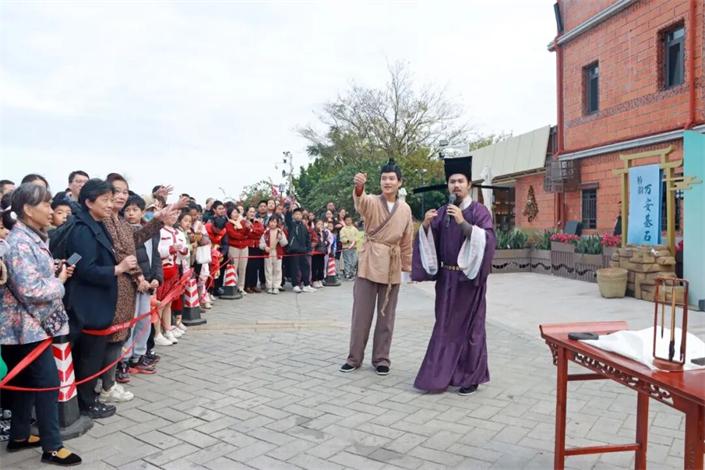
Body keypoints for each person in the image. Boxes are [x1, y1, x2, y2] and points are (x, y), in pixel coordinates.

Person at [0, 183, 82, 466]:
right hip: (26, 329)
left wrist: (55, 267)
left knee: (26, 382)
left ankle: (20, 435)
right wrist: (59, 282)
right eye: (46, 204)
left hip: (24, 329)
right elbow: (31, 290)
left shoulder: (30, 237)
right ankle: (52, 447)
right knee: (48, 384)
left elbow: (31, 276)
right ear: (27, 209)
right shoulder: (21, 243)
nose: (51, 210)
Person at [412, 156, 497, 395]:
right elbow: (430, 242)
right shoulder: (442, 212)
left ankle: (470, 377)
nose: (456, 186)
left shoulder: (479, 211)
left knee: (471, 328)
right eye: (452, 182)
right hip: (447, 280)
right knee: (445, 326)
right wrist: (426, 226)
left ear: (469, 184)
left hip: (469, 281)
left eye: (460, 181)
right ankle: (444, 374)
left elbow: (488, 240)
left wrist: (463, 223)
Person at [67, 179, 136, 419]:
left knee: (92, 355)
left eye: (111, 199)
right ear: (89, 202)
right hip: (89, 306)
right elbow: (85, 269)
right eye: (105, 200)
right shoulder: (83, 229)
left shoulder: (95, 224)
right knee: (88, 357)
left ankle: (87, 399)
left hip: (97, 304)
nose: (110, 204)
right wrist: (119, 269)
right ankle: (86, 403)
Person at [339, 158, 413, 376]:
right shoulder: (371, 201)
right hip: (369, 261)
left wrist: (407, 268)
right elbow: (360, 202)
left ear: (399, 182)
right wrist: (359, 187)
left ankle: (381, 358)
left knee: (387, 315)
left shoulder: (405, 209)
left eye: (391, 178)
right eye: (384, 178)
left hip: (392, 263)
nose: (387, 182)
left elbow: (407, 239)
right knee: (361, 314)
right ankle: (354, 358)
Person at [121, 194, 161, 375]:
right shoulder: (123, 232)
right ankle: (124, 360)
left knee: (144, 321)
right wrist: (139, 279)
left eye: (135, 210)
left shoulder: (150, 231)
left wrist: (156, 277)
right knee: (129, 323)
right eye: (127, 210)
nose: (131, 213)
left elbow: (155, 257)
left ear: (143, 212)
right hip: (132, 285)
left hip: (147, 285)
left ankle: (138, 356)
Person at [285, 206, 315, 293]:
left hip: (303, 251)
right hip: (294, 250)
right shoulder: (291, 225)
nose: (298, 216)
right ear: (293, 216)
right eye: (296, 214)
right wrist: (289, 211)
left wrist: (308, 248)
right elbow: (287, 219)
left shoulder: (304, 226)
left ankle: (306, 285)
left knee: (306, 267)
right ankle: (295, 285)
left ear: (302, 216)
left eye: (299, 214)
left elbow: (307, 238)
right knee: (295, 268)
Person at [259, 215, 288, 294]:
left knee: (277, 270)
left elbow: (284, 243)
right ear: (268, 222)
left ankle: (276, 286)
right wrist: (265, 247)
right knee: (268, 270)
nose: (272, 223)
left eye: (274, 222)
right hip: (268, 253)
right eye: (271, 221)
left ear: (277, 223)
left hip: (277, 253)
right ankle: (269, 286)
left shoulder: (280, 232)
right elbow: (261, 243)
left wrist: (280, 238)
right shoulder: (266, 232)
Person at [225, 208, 251, 295]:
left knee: (243, 268)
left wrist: (247, 228)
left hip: (244, 247)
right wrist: (243, 236)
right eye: (234, 212)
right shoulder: (228, 224)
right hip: (234, 247)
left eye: (237, 212)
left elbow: (247, 233)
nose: (236, 214)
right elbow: (233, 235)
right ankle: (233, 286)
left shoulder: (242, 222)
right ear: (230, 214)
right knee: (233, 267)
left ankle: (241, 287)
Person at [244, 207, 265, 293]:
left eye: (253, 212)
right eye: (250, 211)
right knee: (248, 266)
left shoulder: (258, 222)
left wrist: (252, 229)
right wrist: (253, 232)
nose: (252, 213)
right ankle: (247, 285)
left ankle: (254, 285)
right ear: (246, 212)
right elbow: (246, 234)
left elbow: (261, 232)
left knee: (255, 266)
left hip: (256, 246)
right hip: (248, 246)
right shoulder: (243, 222)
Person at [339, 215, 360, 280]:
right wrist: (348, 241)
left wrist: (355, 240)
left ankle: (352, 273)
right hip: (346, 248)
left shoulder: (354, 229)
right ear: (345, 221)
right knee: (347, 261)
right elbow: (342, 238)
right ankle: (347, 274)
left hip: (354, 248)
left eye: (350, 220)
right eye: (347, 220)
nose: (349, 221)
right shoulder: (343, 229)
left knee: (354, 261)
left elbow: (358, 236)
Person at [311, 220, 330, 288]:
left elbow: (327, 241)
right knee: (315, 267)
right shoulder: (313, 232)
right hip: (315, 252)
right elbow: (315, 242)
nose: (320, 225)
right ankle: (314, 280)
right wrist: (321, 238)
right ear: (315, 225)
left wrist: (327, 243)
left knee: (321, 267)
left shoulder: (324, 233)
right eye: (318, 224)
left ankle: (320, 279)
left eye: (321, 224)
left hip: (322, 252)